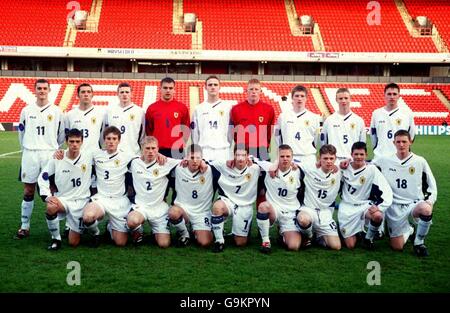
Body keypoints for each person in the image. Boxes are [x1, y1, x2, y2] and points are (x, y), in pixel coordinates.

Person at [372, 130, 437, 257]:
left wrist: (430, 201)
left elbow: (431, 185)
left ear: (410, 142)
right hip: (394, 206)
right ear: (394, 143)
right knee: (397, 246)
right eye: (398, 142)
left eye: (404, 142)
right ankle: (410, 230)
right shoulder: (384, 160)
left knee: (426, 209)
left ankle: (419, 243)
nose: (401, 145)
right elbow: (366, 166)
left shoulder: (420, 161)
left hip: (414, 204)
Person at [15, 79, 65, 239]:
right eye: (39, 88)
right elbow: (21, 132)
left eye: (45, 88)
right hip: (30, 153)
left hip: (49, 154)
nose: (42, 91)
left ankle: (55, 229)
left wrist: (53, 148)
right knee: (28, 190)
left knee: (51, 191)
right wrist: (27, 148)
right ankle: (24, 226)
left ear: (49, 90)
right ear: (34, 90)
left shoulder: (57, 111)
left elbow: (61, 134)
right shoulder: (26, 110)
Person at [40, 129, 94, 250]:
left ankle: (84, 228)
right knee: (51, 206)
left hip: (81, 201)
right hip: (63, 199)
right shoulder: (57, 157)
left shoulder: (89, 156)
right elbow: (43, 177)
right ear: (66, 142)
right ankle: (56, 239)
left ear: (82, 142)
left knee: (73, 243)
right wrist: (47, 196)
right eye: (71, 141)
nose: (74, 144)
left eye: (77, 141)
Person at [82, 126, 133, 247]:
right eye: (108, 138)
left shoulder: (127, 156)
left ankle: (110, 227)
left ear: (119, 141)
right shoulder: (95, 154)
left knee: (120, 243)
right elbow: (77, 155)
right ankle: (96, 234)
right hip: (101, 199)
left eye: (114, 138)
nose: (111, 141)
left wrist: (160, 156)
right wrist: (61, 153)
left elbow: (145, 159)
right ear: (104, 140)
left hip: (119, 200)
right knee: (88, 217)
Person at [126, 136, 180, 248]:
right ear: (141, 149)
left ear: (158, 149)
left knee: (164, 244)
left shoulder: (166, 162)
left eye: (153, 148)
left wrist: (202, 163)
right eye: (147, 148)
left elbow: (187, 161)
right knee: (132, 221)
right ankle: (138, 230)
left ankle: (159, 230)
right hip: (141, 207)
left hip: (159, 208)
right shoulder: (134, 162)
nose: (151, 151)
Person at [338, 142, 393, 250]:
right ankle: (355, 231)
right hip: (347, 207)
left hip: (364, 205)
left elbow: (387, 191)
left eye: (361, 154)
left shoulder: (372, 169)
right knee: (350, 245)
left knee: (377, 216)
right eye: (356, 154)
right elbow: (328, 164)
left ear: (366, 155)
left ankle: (368, 239)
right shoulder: (344, 168)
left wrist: (380, 207)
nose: (359, 157)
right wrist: (340, 163)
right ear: (351, 155)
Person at [209, 145, 261, 252]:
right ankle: (219, 241)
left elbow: (270, 164)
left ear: (248, 156)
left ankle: (240, 230)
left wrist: (254, 159)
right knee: (217, 207)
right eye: (238, 155)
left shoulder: (255, 167)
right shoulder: (224, 165)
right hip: (228, 201)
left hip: (245, 205)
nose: (240, 158)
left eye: (243, 155)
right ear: (234, 156)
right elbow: (206, 161)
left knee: (240, 243)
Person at [256, 144, 302, 253]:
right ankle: (266, 241)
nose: (285, 159)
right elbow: (251, 159)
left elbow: (318, 165)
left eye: (287, 156)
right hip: (274, 210)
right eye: (282, 156)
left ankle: (282, 236)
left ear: (292, 157)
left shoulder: (299, 171)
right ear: (277, 157)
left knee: (293, 246)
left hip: (290, 213)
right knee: (263, 206)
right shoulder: (268, 168)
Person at [168, 144, 215, 248]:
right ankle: (185, 234)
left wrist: (204, 162)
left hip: (201, 213)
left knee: (205, 242)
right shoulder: (178, 168)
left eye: (198, 158)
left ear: (202, 158)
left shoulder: (210, 170)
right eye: (192, 157)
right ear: (186, 157)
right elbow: (163, 160)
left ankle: (200, 229)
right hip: (184, 211)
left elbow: (223, 163)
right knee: (173, 212)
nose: (195, 160)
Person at [295, 144, 341, 250]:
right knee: (303, 220)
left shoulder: (340, 171)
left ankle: (318, 237)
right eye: (325, 158)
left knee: (336, 246)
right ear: (319, 158)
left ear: (335, 159)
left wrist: (345, 163)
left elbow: (358, 164)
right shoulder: (309, 168)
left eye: (331, 158)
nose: (329, 161)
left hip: (325, 213)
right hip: (308, 209)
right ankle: (309, 236)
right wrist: (275, 164)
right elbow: (290, 163)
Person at [274, 85, 321, 168]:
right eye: (297, 96)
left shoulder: (314, 117)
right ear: (292, 98)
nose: (299, 98)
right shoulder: (283, 116)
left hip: (308, 157)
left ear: (306, 98)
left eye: (302, 96)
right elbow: (277, 135)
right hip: (289, 157)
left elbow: (316, 139)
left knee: (308, 181)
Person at [230, 78, 275, 161]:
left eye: (256, 89)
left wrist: (265, 144)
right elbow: (233, 131)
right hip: (242, 149)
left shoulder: (269, 109)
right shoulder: (236, 109)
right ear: (246, 91)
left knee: (263, 173)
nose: (254, 91)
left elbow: (269, 130)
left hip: (262, 150)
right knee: (242, 173)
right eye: (251, 89)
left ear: (261, 91)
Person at [145, 77, 190, 159]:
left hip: (177, 150)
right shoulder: (152, 108)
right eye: (165, 88)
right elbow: (149, 130)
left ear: (174, 90)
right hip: (158, 150)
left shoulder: (182, 108)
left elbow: (186, 129)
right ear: (160, 89)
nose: (168, 90)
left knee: (177, 172)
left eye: (170, 88)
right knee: (157, 172)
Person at [370, 83, 415, 163]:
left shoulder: (407, 114)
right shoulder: (376, 113)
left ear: (398, 96)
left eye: (394, 94)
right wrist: (378, 149)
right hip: (380, 158)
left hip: (400, 159)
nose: (392, 97)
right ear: (384, 95)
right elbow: (373, 136)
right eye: (389, 94)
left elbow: (411, 135)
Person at [191, 75, 233, 162]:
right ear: (205, 87)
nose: (213, 87)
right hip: (204, 150)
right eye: (210, 85)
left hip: (223, 150)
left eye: (215, 85)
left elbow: (230, 130)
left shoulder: (228, 107)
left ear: (219, 87)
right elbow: (195, 132)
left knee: (222, 176)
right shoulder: (198, 108)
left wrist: (227, 144)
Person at [321, 88, 366, 162]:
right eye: (341, 98)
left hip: (352, 160)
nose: (343, 101)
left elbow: (362, 144)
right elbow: (324, 143)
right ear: (336, 100)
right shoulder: (329, 120)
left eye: (346, 98)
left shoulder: (359, 120)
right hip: (334, 161)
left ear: (350, 99)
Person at [105, 82, 145, 156]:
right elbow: (105, 132)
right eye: (122, 92)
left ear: (131, 94)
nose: (124, 94)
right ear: (118, 94)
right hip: (114, 153)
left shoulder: (140, 111)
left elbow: (143, 134)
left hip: (133, 153)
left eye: (127, 92)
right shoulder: (109, 111)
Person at [65, 83, 106, 154]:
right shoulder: (70, 115)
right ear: (78, 95)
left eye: (88, 92)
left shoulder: (101, 114)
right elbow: (65, 138)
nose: (86, 94)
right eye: (83, 92)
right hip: (75, 156)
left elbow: (103, 137)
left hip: (94, 155)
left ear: (92, 95)